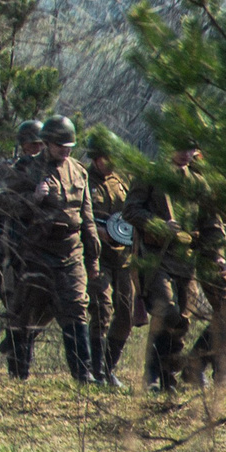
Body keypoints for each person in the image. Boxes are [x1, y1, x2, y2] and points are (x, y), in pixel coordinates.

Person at [0, 113, 97, 383]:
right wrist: (31, 199)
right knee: (25, 311)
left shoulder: (79, 171)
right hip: (34, 251)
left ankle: (83, 375)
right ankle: (18, 373)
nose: (65, 151)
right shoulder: (26, 169)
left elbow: (87, 218)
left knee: (76, 308)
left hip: (70, 252)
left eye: (69, 147)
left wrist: (93, 258)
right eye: (60, 146)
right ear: (47, 143)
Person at [125, 142, 226, 392]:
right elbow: (130, 210)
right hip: (157, 257)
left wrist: (216, 253)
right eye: (180, 147)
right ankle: (153, 374)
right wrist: (158, 224)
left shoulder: (198, 182)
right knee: (166, 311)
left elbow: (211, 223)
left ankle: (167, 377)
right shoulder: (151, 173)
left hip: (187, 260)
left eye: (191, 149)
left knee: (182, 320)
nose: (186, 154)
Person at [82, 134, 137, 389]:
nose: (111, 162)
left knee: (126, 314)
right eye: (106, 157)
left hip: (123, 257)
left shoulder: (123, 180)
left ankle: (109, 366)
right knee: (101, 310)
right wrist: (96, 231)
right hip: (97, 256)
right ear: (95, 157)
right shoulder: (83, 180)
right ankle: (96, 371)